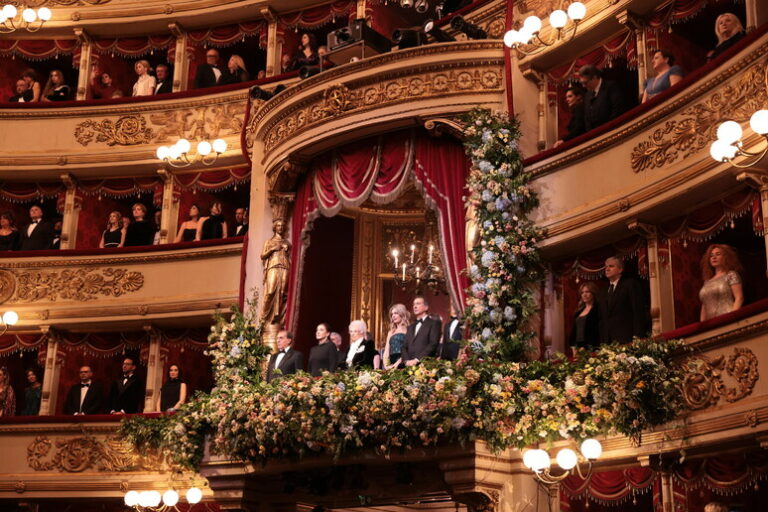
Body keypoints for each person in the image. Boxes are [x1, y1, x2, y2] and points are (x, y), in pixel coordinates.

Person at [602, 256, 648, 343]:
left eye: (611, 266)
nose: (607, 269)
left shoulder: (630, 284)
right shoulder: (603, 291)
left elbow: (638, 311)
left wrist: (638, 337)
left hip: (628, 338)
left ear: (620, 269)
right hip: (609, 342)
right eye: (606, 267)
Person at [699, 244, 744, 321]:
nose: (714, 257)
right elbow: (704, 305)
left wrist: (731, 318)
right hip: (711, 324)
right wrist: (702, 325)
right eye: (711, 255)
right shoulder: (707, 282)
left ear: (725, 257)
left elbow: (739, 298)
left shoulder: (731, 275)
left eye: (718, 254)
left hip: (727, 319)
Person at [260, 220, 290, 325]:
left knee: (282, 292)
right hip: (273, 266)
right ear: (275, 228)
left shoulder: (287, 243)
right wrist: (273, 249)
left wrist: (287, 250)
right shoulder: (269, 242)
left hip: (285, 266)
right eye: (278, 226)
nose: (280, 227)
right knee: (270, 291)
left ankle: (278, 318)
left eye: (282, 226)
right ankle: (264, 317)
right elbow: (262, 255)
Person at [578, 64, 624, 132]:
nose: (583, 86)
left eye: (585, 83)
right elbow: (587, 118)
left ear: (594, 78)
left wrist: (608, 129)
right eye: (582, 83)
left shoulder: (611, 87)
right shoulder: (587, 95)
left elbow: (617, 110)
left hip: (612, 131)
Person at [401, 296, 442, 366]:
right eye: (414, 304)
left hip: (425, 365)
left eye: (418, 304)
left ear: (426, 307)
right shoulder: (410, 327)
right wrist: (407, 361)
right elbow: (404, 346)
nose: (415, 306)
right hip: (409, 366)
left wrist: (417, 360)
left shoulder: (434, 323)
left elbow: (433, 344)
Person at [569, 281, 606, 349]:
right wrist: (573, 346)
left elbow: (598, 331)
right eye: (582, 292)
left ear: (593, 293)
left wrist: (587, 346)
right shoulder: (578, 312)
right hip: (578, 346)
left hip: (592, 346)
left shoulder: (598, 309)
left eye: (587, 292)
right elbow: (574, 331)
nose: (584, 295)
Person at [380, 304, 409, 370]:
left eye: (396, 313)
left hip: (404, 362)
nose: (393, 316)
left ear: (402, 314)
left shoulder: (409, 330)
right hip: (392, 362)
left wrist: (398, 363)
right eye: (392, 314)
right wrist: (386, 366)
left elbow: (410, 350)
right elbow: (386, 351)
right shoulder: (391, 332)